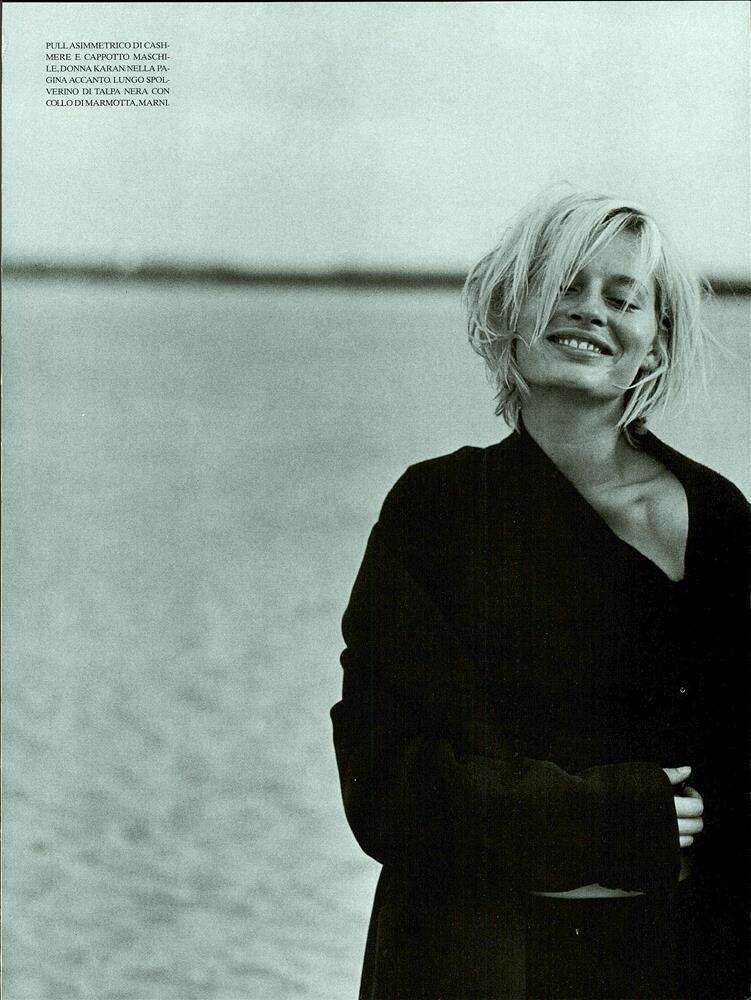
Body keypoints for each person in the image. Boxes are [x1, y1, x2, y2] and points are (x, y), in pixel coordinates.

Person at [330, 192, 749, 999]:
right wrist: (614, 818)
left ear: (654, 346)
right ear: (507, 313)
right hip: (468, 964)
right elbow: (388, 786)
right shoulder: (435, 510)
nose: (590, 310)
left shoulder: (719, 520)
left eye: (623, 299)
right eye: (563, 285)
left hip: (679, 965)